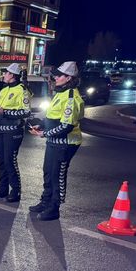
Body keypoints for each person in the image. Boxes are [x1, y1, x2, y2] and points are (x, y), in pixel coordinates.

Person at [28, 61, 84, 221]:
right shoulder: (60, 93)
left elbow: (66, 126)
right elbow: (51, 116)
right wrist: (41, 125)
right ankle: (45, 201)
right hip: (54, 141)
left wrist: (44, 133)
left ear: (68, 78)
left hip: (66, 143)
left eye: (59, 76)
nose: (56, 78)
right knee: (47, 171)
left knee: (57, 174)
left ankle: (54, 208)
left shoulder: (72, 97)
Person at [0, 63, 31, 202]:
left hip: (13, 132)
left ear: (12, 75)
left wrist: (5, 112)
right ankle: (3, 189)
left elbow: (26, 112)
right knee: (1, 161)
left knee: (9, 161)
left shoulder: (22, 90)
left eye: (6, 73)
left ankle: (16, 191)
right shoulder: (4, 89)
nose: (3, 75)